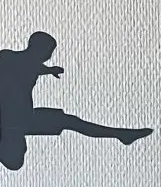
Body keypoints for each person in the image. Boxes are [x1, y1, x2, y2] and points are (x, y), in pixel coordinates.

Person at [0, 32, 152, 172]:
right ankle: (121, 134)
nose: (49, 55)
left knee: (71, 122)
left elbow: (30, 66)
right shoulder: (13, 59)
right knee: (71, 122)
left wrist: (49, 70)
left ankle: (121, 134)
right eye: (48, 52)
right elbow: (28, 66)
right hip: (18, 120)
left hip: (24, 117)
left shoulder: (15, 59)